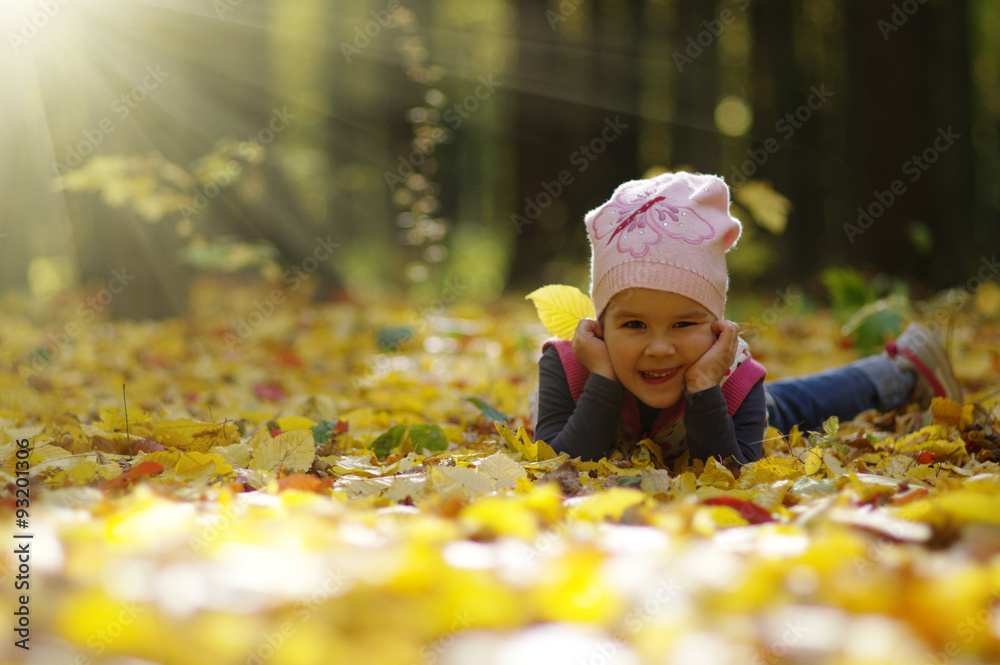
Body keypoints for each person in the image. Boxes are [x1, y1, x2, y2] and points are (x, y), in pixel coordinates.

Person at [532, 171, 962, 465]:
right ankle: (896, 369)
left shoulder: (729, 373)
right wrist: (603, 380)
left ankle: (900, 372)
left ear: (714, 323)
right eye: (633, 325)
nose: (659, 347)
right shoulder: (570, 367)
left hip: (720, 405)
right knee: (791, 403)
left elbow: (730, 472)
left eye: (684, 324)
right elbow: (560, 468)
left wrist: (703, 385)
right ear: (600, 325)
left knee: (796, 406)